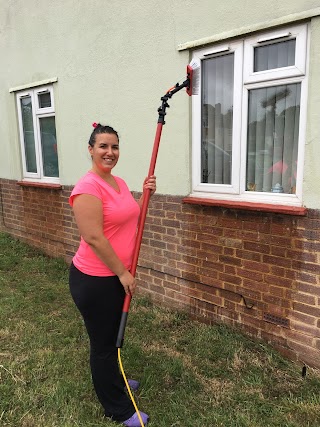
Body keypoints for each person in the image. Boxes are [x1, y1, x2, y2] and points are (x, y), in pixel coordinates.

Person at [68, 122, 156, 426]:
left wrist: (145, 197)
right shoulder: (87, 188)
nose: (110, 152)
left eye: (114, 146)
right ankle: (118, 409)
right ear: (91, 149)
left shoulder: (116, 182)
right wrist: (122, 273)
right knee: (104, 346)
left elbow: (128, 218)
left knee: (110, 339)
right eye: (103, 146)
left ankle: (114, 381)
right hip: (96, 280)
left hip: (115, 278)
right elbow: (94, 237)